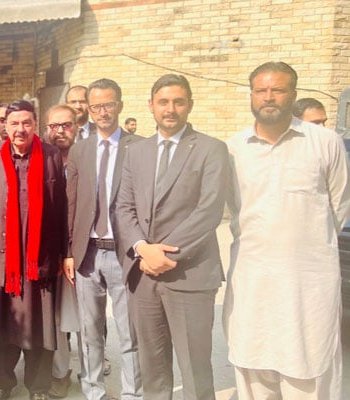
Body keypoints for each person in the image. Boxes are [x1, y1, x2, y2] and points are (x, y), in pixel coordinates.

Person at [224, 61, 350, 400]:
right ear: (251, 95)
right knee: (253, 366)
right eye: (261, 90)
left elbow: (337, 208)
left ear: (292, 95)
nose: (268, 97)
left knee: (310, 370)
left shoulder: (324, 143)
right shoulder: (234, 148)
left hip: (308, 284)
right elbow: (235, 213)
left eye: (277, 90)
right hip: (253, 281)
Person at [116, 74, 228, 400]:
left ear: (190, 105)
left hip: (190, 276)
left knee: (195, 370)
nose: (171, 109)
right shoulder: (136, 151)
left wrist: (164, 256)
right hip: (144, 278)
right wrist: (141, 249)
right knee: (152, 370)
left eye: (178, 101)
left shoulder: (211, 149)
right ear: (151, 105)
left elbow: (209, 211)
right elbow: (123, 207)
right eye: (163, 101)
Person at [0, 100, 67, 400]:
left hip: (39, 261)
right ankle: (3, 383)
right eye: (14, 123)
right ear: (4, 125)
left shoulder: (51, 156)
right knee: (1, 327)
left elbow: (64, 208)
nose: (20, 129)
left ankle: (38, 386)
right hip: (4, 261)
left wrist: (63, 253)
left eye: (26, 122)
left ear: (35, 124)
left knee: (40, 328)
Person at [64, 78, 142, 400]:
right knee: (90, 332)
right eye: (96, 106)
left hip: (124, 254)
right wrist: (69, 250)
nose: (102, 112)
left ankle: (132, 394)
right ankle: (93, 391)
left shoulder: (139, 147)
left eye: (108, 104)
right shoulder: (80, 150)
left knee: (129, 334)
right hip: (87, 254)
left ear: (120, 106)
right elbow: (71, 202)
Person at [45, 104, 80, 398]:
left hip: (87, 250)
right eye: (54, 126)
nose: (60, 131)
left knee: (88, 317)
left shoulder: (88, 158)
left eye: (66, 125)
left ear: (77, 127)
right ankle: (60, 371)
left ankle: (93, 369)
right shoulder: (41, 160)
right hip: (54, 253)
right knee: (58, 317)